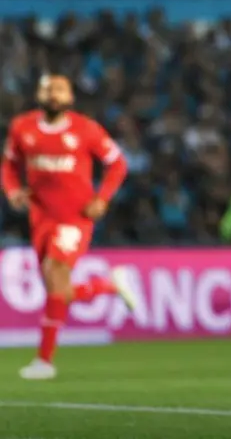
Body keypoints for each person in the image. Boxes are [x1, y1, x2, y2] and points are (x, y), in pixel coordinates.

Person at [1, 74, 138, 380]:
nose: (54, 95)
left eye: (60, 90)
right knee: (58, 290)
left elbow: (117, 164)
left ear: (70, 97)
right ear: (38, 94)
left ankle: (44, 361)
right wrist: (12, 191)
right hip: (40, 219)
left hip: (75, 218)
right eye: (48, 89)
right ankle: (109, 286)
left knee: (55, 272)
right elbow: (9, 165)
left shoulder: (85, 129)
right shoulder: (22, 128)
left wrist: (102, 198)